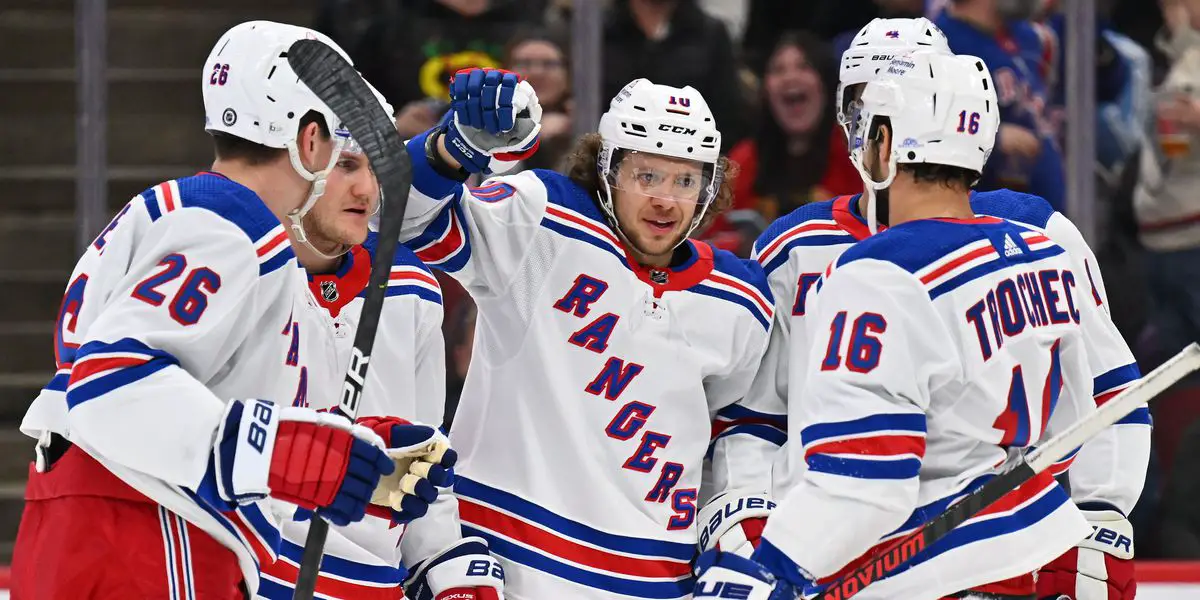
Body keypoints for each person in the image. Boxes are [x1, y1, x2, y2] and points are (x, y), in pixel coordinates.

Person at [11, 21, 449, 598]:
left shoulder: (205, 217)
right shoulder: (229, 223)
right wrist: (279, 451)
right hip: (141, 524)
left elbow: (202, 393)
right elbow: (111, 383)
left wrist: (344, 446)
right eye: (349, 158)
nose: (370, 188)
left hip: (130, 518)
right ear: (308, 140)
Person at [750, 18, 1149, 600]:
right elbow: (757, 416)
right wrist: (747, 521)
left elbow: (1103, 387)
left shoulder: (1031, 229)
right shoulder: (793, 245)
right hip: (881, 548)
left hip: (919, 555)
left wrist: (1103, 513)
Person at [396, 70, 786, 599]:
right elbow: (403, 220)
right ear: (606, 169)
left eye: (686, 180)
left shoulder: (742, 298)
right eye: (646, 176)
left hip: (655, 581)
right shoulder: (542, 219)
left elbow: (738, 439)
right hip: (508, 566)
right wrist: (448, 149)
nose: (666, 201)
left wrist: (738, 548)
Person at [256, 101, 501, 599]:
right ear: (295, 160)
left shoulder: (410, 284)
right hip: (257, 574)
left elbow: (424, 464)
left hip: (371, 585)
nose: (368, 191)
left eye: (376, 167)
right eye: (347, 164)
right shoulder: (229, 274)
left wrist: (442, 564)